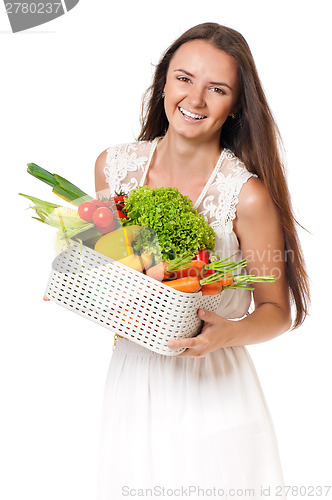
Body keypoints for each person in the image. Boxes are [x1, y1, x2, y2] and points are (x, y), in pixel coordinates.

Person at [95, 23, 310, 499]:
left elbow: (277, 310)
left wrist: (226, 333)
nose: (195, 99)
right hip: (133, 377)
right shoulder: (113, 167)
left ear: (235, 105)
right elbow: (116, 266)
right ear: (164, 84)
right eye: (184, 78)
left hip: (213, 383)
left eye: (218, 89)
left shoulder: (246, 196)